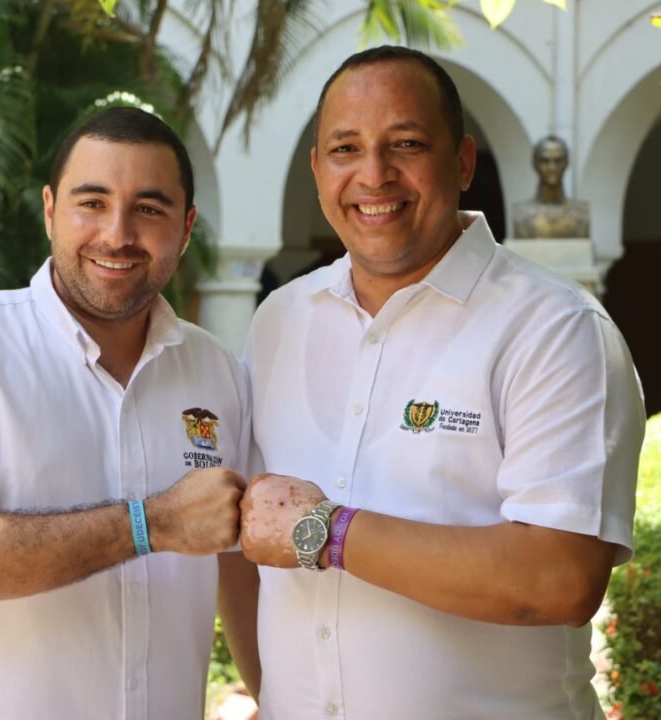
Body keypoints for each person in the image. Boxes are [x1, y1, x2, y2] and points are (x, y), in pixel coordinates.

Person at [234, 46, 645, 719]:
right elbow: (246, 536)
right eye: (345, 149)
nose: (374, 174)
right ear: (317, 169)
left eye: (406, 144)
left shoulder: (554, 327)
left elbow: (558, 578)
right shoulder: (279, 319)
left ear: (462, 162)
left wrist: (327, 531)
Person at [0, 106, 256, 719]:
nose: (117, 234)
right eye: (91, 203)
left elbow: (241, 571)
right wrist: (152, 524)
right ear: (49, 210)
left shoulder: (217, 369)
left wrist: (276, 698)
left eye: (149, 209)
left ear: (187, 225)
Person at [512, 134, 591, 238]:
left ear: (566, 163)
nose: (552, 167)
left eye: (558, 161)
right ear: (535, 164)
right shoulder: (520, 213)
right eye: (545, 161)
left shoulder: (581, 213)